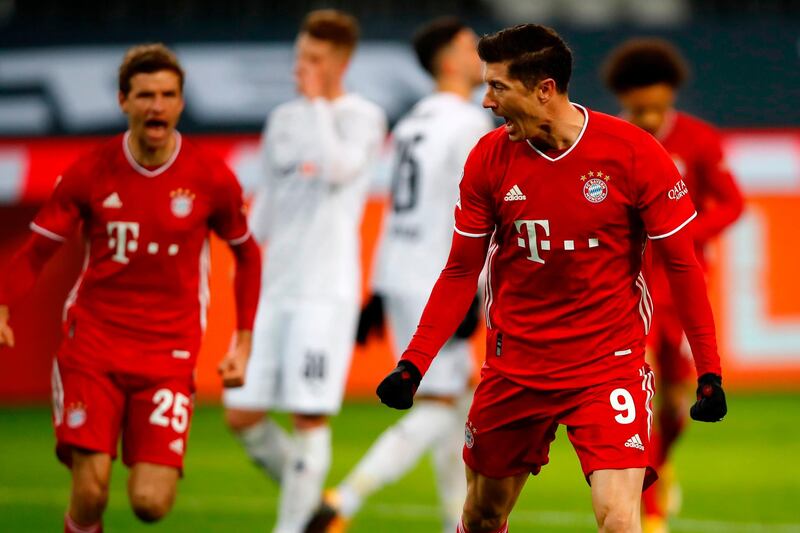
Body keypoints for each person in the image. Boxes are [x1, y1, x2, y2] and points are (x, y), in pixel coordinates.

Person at [375, 24, 728, 533]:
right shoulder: (487, 159)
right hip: (516, 366)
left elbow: (682, 264)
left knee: (619, 520)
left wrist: (709, 370)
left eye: (498, 87)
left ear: (544, 89)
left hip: (608, 367)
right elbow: (460, 270)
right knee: (482, 515)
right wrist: (414, 362)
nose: (487, 102)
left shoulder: (633, 153)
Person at [0, 43, 261, 532]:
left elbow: (248, 252)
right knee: (91, 488)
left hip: (169, 353)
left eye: (167, 95)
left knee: (150, 503)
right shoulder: (89, 171)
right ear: (124, 100)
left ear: (181, 103)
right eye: (144, 95)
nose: (156, 106)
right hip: (93, 345)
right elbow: (36, 248)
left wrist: (243, 342)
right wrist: (3, 304)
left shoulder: (211, 177)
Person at [305, 18, 493, 533]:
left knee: (452, 405)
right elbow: (474, 209)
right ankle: (343, 500)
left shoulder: (411, 123)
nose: (480, 53)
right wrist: (475, 292)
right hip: (440, 280)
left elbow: (398, 211)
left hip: (405, 275)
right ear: (449, 59)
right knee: (441, 404)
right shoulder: (467, 124)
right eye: (469, 45)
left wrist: (380, 289)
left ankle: (454, 523)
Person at [221, 9, 387, 533]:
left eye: (314, 59)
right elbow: (267, 204)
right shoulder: (283, 120)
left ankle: (291, 528)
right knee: (241, 415)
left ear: (341, 61)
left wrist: (317, 102)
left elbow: (339, 168)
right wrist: (240, 251)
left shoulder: (362, 116)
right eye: (300, 57)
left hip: (325, 292)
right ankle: (315, 510)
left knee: (307, 414)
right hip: (275, 289)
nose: (302, 67)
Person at [601, 38, 743, 533]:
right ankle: (652, 509)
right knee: (639, 394)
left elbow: (732, 203)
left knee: (679, 402)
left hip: (681, 289)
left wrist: (685, 234)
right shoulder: (608, 141)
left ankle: (666, 459)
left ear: (671, 98)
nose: (649, 118)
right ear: (624, 100)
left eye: (657, 108)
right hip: (627, 289)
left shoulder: (700, 141)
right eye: (640, 109)